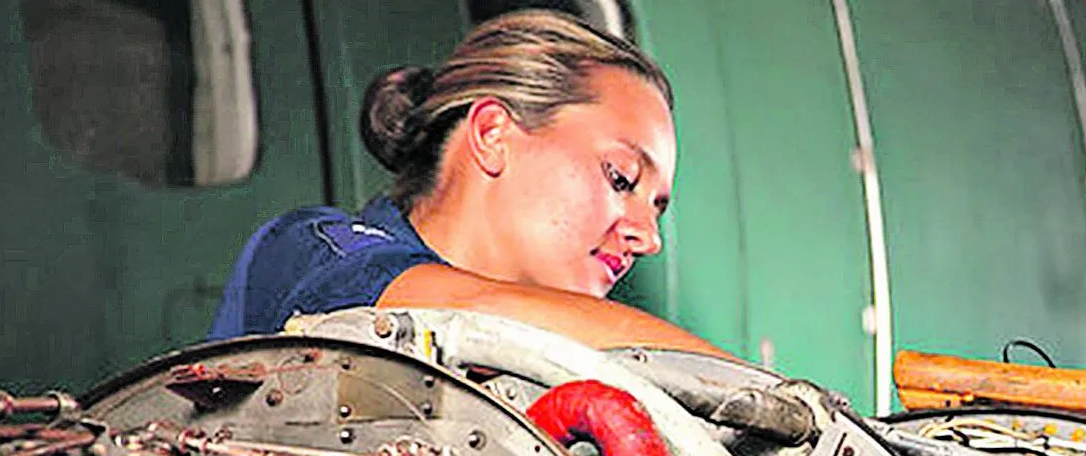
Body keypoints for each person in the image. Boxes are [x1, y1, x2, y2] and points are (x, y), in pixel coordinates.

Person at [209, 10, 724, 356]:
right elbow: (469, 312)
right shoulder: (313, 253)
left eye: (656, 207)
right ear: (492, 134)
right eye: (621, 178)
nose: (648, 237)